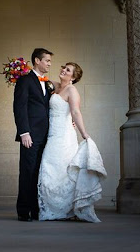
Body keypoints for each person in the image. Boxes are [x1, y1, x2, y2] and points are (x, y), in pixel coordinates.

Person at [37, 62, 107, 223]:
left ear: (73, 77)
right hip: (52, 135)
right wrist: (18, 70)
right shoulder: (54, 85)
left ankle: (68, 209)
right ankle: (53, 207)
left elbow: (75, 112)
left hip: (64, 136)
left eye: (68, 70)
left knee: (65, 171)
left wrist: (84, 133)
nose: (63, 70)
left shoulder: (72, 90)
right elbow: (38, 79)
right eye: (63, 67)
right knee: (50, 168)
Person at [13, 48, 53, 221]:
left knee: (40, 172)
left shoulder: (49, 83)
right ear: (37, 61)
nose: (50, 64)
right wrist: (24, 132)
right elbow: (19, 107)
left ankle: (36, 210)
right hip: (30, 135)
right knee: (27, 171)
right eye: (47, 61)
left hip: (47, 136)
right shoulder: (25, 80)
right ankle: (23, 210)